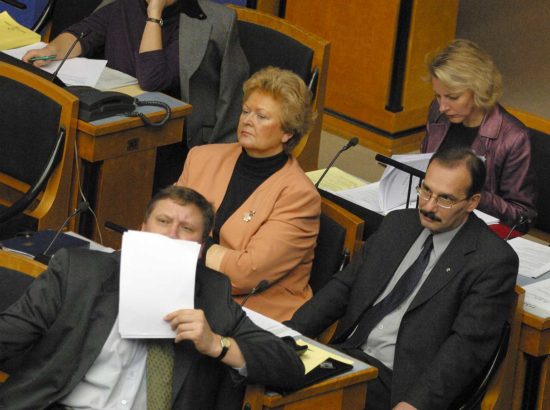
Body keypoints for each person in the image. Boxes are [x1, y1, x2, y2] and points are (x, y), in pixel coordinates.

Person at [0, 186, 304, 410]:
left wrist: (216, 344)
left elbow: (289, 365)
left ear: (200, 249)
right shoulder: (80, 272)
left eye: (186, 228)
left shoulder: (212, 295)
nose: (171, 235)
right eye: (163, 221)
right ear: (142, 229)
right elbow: (10, 334)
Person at [286, 147, 518, 409]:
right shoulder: (398, 225)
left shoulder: (491, 261)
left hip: (398, 385)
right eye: (426, 190)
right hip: (346, 356)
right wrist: (287, 334)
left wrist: (415, 404)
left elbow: (465, 349)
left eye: (445, 199)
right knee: (261, 371)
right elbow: (343, 288)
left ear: (472, 202)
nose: (428, 206)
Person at [23, 0, 249, 191]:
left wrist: (154, 15)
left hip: (175, 140)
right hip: (119, 122)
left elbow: (152, 78)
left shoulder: (213, 21)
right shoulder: (122, 4)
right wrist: (51, 51)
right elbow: (83, 34)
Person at [177, 66, 321, 322]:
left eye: (262, 117)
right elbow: (162, 226)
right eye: (245, 111)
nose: (247, 121)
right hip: (189, 290)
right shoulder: (201, 158)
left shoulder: (299, 197)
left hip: (252, 314)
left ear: (287, 132)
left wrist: (187, 245)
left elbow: (245, 273)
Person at [421, 39, 537, 231]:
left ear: (479, 89)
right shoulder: (438, 112)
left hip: (474, 230)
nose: (442, 107)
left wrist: (470, 192)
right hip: (433, 213)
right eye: (438, 96)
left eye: (452, 97)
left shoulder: (514, 138)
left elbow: (522, 217)